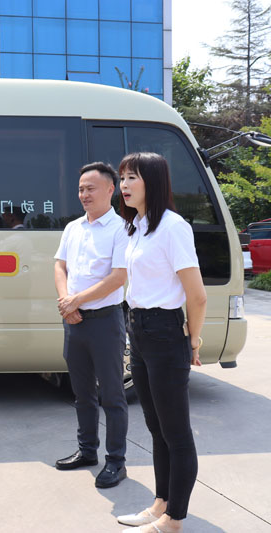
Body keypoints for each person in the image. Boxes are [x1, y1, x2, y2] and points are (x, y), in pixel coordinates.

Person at [116, 152, 206, 533]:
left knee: (176, 432)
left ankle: (175, 519)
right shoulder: (136, 226)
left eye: (131, 177)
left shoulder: (173, 227)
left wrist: (193, 340)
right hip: (139, 329)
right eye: (122, 177)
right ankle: (160, 504)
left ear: (152, 181)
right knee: (155, 426)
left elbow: (197, 295)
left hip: (166, 331)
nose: (123, 185)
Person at [53, 162, 130, 488]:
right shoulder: (73, 228)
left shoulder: (122, 229)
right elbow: (60, 265)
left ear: (110, 190)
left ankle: (116, 461)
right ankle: (87, 451)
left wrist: (76, 300)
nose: (84, 194)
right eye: (81, 189)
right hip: (75, 322)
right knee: (82, 393)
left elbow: (119, 276)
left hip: (105, 322)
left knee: (112, 395)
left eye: (90, 188)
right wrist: (66, 302)